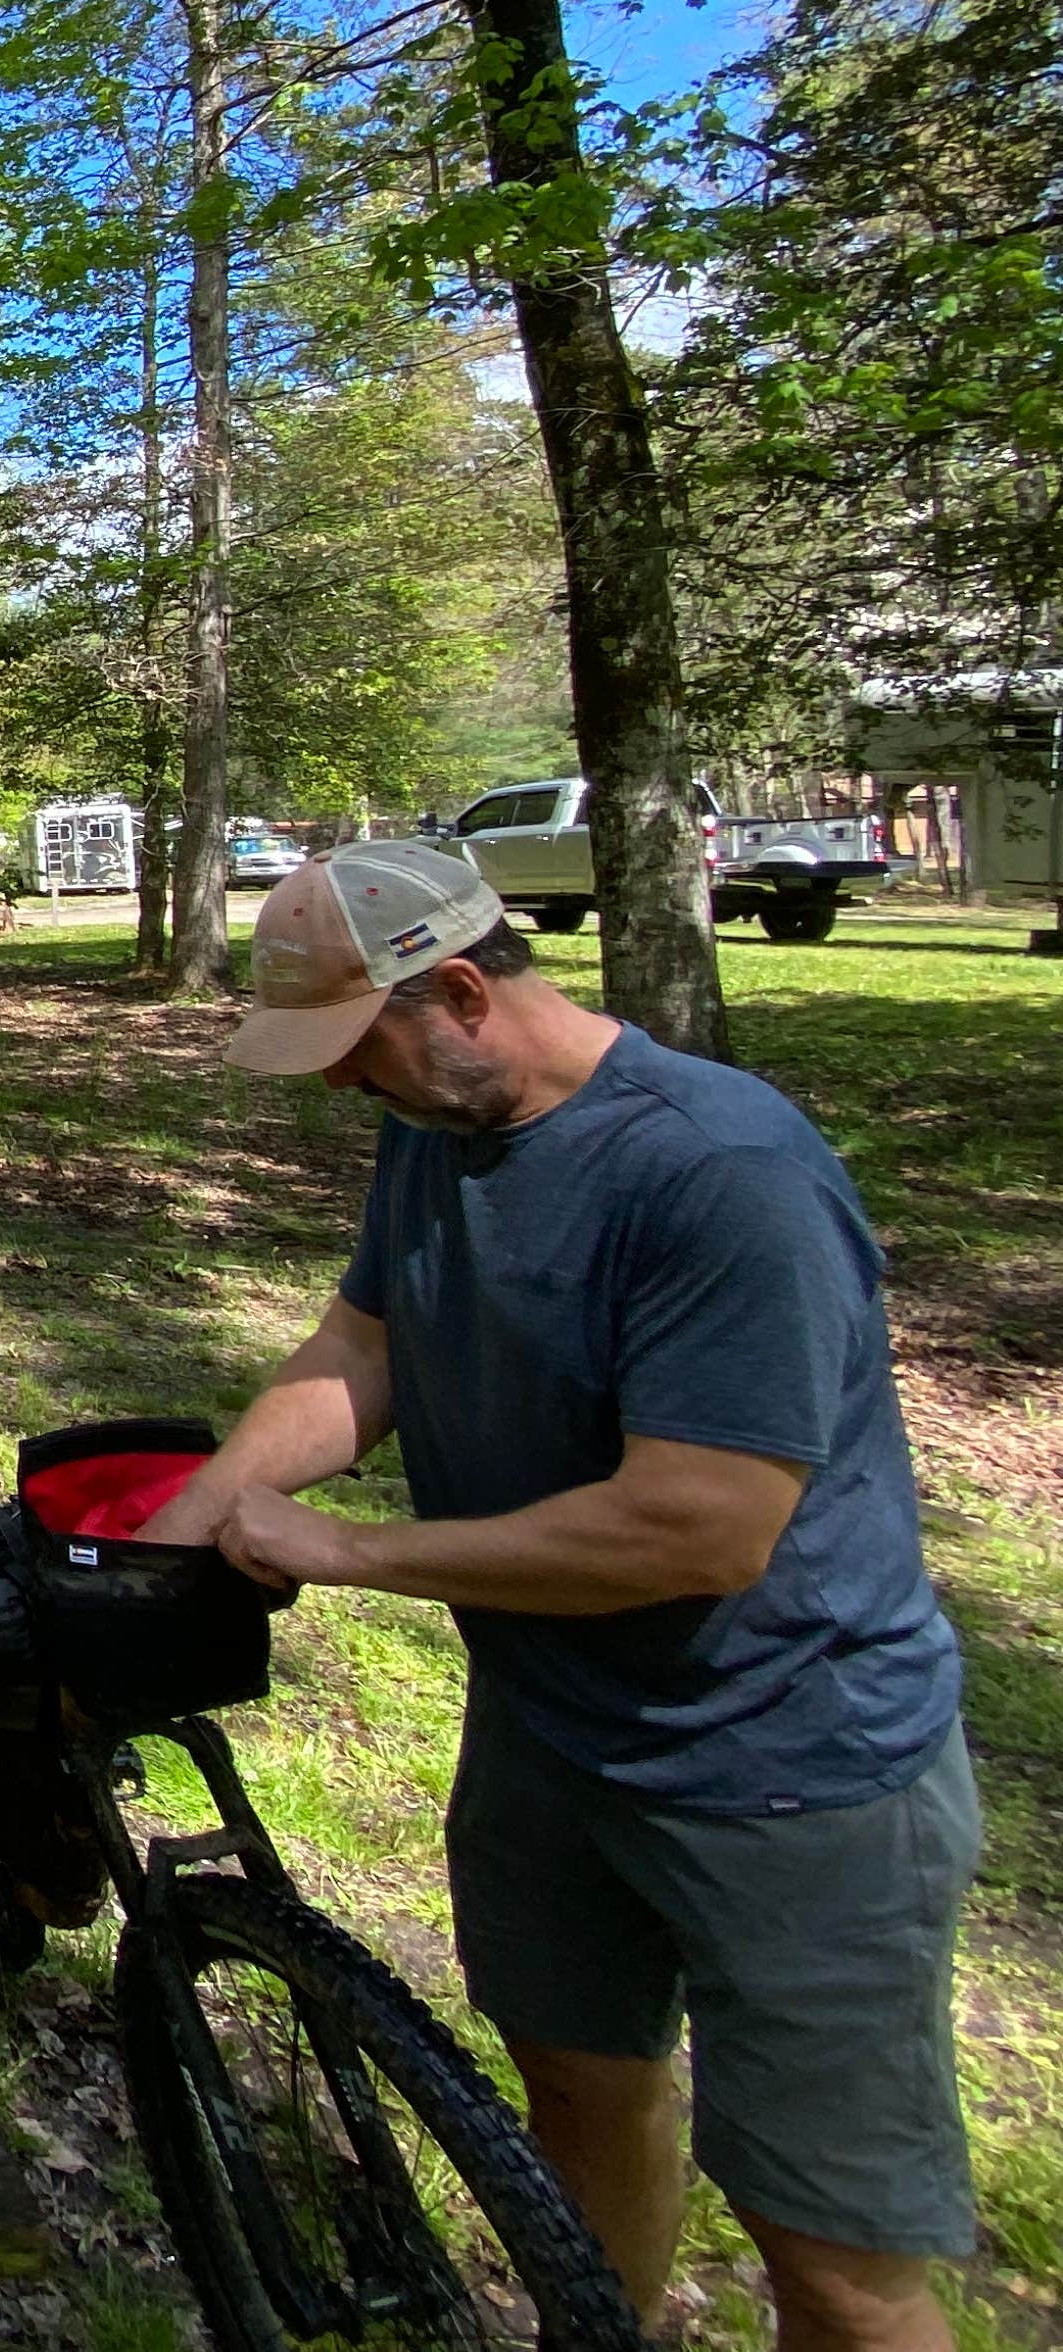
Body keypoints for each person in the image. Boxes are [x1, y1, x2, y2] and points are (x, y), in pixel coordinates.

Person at [148, 840, 978, 2352]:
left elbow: (697, 1528)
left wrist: (360, 1555)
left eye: (355, 1051)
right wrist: (193, 1517)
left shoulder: (720, 1175)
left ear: (461, 989)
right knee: (582, 2103)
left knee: (837, 2263)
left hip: (789, 1767)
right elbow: (364, 1352)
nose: (343, 1090)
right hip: (552, 1733)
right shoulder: (439, 1125)